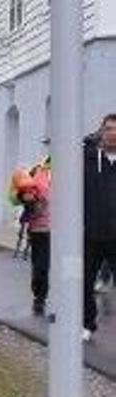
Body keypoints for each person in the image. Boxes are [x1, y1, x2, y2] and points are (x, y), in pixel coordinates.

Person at [83, 113, 116, 339]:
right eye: (108, 129)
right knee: (83, 282)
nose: (112, 133)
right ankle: (87, 324)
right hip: (90, 235)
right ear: (101, 131)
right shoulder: (87, 159)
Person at [10, 160, 52, 316]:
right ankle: (39, 297)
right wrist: (24, 196)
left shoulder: (69, 172)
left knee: (64, 267)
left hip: (62, 232)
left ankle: (48, 298)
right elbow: (15, 196)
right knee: (40, 267)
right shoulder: (36, 171)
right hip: (39, 230)